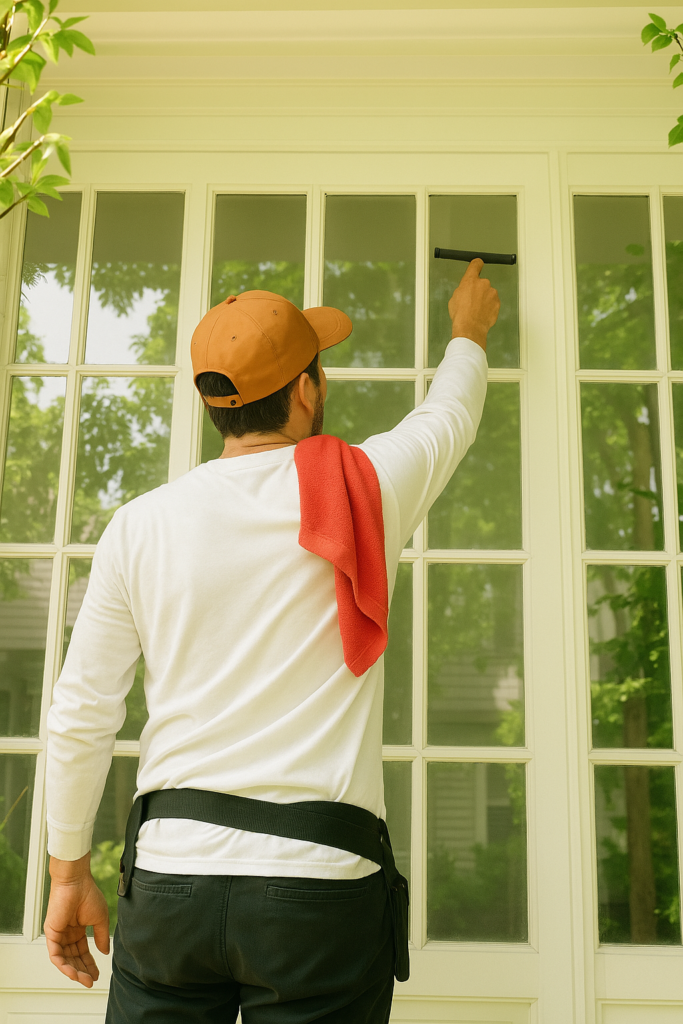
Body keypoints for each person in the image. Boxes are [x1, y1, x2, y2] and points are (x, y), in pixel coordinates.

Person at [44, 258, 499, 1023]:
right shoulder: (367, 486)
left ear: (216, 402)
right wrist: (468, 332)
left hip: (171, 881)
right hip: (318, 887)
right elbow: (447, 415)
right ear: (307, 389)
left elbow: (82, 710)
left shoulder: (141, 525)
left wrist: (67, 872)